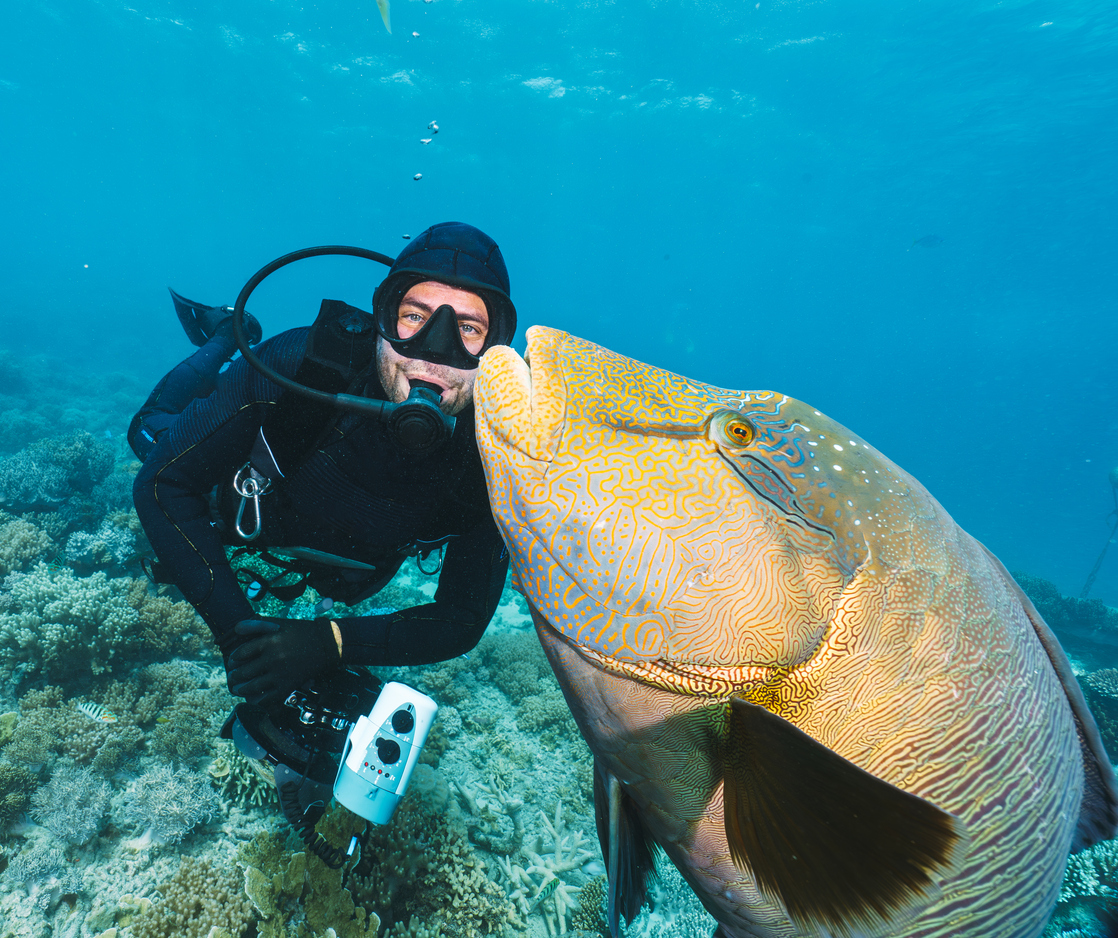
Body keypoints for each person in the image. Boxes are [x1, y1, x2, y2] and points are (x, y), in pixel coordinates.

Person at [130, 222, 513, 709]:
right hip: (243, 509)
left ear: (495, 351)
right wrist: (240, 636)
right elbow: (162, 485)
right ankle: (226, 335)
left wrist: (327, 644)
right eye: (414, 316)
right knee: (147, 432)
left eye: (469, 328)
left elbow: (462, 619)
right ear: (382, 317)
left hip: (344, 570)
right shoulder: (302, 368)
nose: (434, 351)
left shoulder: (495, 456)